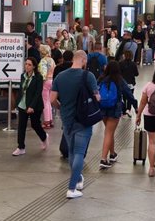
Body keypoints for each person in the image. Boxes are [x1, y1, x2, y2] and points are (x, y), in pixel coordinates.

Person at [50, 51, 100, 199]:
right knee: (79, 152)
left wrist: (61, 107)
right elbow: (97, 97)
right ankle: (71, 188)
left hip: (67, 120)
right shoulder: (88, 76)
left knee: (71, 152)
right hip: (83, 120)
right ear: (84, 60)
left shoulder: (60, 76)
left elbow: (52, 99)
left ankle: (78, 179)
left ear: (73, 59)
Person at [98, 60, 137, 169]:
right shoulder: (119, 80)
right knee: (109, 133)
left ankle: (113, 154)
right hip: (114, 108)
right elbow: (128, 94)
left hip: (103, 108)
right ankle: (103, 159)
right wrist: (135, 105)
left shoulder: (101, 79)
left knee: (109, 131)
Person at [12, 57, 48, 156]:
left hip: (35, 106)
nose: (27, 66)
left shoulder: (38, 77)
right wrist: (17, 104)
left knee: (35, 124)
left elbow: (38, 93)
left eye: (29, 65)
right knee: (21, 126)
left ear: (34, 66)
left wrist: (31, 106)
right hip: (23, 105)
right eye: (26, 64)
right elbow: (21, 91)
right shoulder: (23, 76)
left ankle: (44, 137)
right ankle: (21, 147)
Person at [38, 45, 56, 129]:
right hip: (52, 80)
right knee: (49, 101)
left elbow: (43, 74)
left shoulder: (43, 61)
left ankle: (46, 122)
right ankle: (50, 120)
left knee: (45, 102)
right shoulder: (52, 60)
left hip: (45, 82)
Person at [119, 50, 139, 116]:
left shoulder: (121, 63)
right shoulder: (133, 64)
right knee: (130, 96)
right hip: (131, 83)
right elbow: (136, 74)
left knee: (124, 96)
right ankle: (129, 109)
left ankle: (124, 110)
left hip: (123, 83)